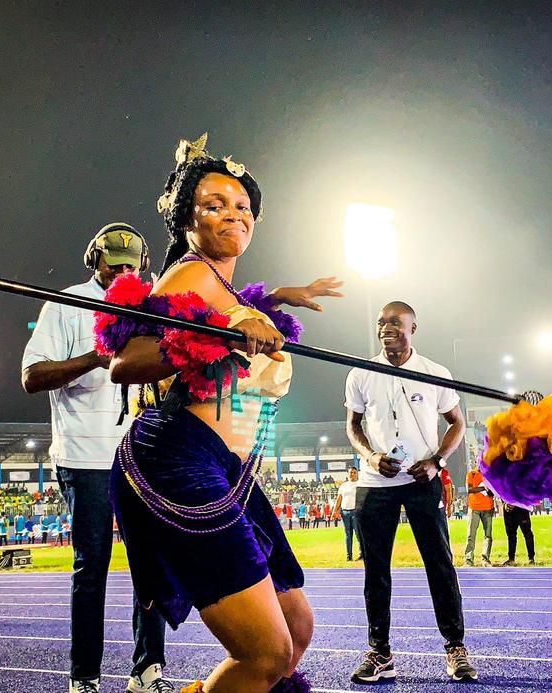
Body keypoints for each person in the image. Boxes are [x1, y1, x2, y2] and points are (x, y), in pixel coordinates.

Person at [105, 135, 342, 693]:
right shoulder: (189, 275)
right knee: (265, 653)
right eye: (213, 205)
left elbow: (235, 308)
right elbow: (126, 360)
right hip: (177, 456)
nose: (232, 214)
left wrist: (274, 299)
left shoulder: (221, 285)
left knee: (295, 629)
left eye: (241, 206)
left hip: (228, 470)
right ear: (188, 222)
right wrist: (222, 332)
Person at [22, 222, 172, 693]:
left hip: (142, 455)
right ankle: (84, 677)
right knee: (93, 568)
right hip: (85, 456)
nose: (122, 271)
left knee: (150, 567)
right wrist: (93, 357)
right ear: (95, 260)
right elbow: (31, 376)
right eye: (114, 262)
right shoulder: (66, 303)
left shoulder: (152, 307)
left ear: (143, 266)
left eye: (131, 264)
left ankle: (148, 672)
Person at [345, 300, 476, 683]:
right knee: (376, 572)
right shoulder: (360, 373)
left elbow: (457, 423)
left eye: (395, 323)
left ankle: (455, 647)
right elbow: (353, 426)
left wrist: (436, 460)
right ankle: (380, 653)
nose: (386, 327)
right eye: (381, 322)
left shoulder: (436, 373)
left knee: (439, 564)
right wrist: (370, 456)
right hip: (375, 484)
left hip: (423, 482)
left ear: (413, 328)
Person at [464, 461, 494, 566]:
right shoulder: (471, 474)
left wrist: (492, 491)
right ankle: (469, 560)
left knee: (488, 535)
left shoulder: (491, 475)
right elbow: (469, 490)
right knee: (471, 535)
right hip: (474, 508)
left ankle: (485, 559)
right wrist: (483, 488)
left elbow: (494, 490)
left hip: (488, 508)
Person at [333, 467, 362, 561]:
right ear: (348, 474)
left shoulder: (360, 484)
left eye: (354, 472)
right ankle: (349, 556)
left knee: (358, 533)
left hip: (356, 511)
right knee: (348, 534)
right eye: (350, 472)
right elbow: (339, 498)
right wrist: (335, 510)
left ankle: (362, 554)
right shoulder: (344, 485)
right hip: (345, 512)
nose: (352, 474)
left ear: (357, 473)